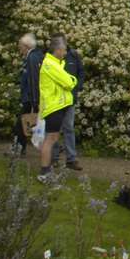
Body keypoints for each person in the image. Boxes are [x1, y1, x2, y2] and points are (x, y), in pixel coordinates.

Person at [36, 35, 77, 182]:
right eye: (64, 50)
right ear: (58, 50)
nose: (65, 53)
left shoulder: (56, 63)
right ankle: (44, 172)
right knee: (50, 139)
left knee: (53, 137)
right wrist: (72, 79)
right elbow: (69, 82)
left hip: (58, 106)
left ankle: (46, 170)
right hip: (53, 107)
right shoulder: (50, 64)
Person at [49, 40, 84, 171]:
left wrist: (77, 87)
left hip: (69, 100)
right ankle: (54, 158)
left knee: (68, 128)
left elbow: (81, 72)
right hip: (56, 101)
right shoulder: (52, 61)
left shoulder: (74, 56)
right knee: (55, 130)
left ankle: (71, 159)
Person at [13, 33, 44, 157]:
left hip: (30, 98)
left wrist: (34, 101)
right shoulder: (35, 55)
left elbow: (33, 79)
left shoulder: (32, 58)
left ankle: (19, 149)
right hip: (31, 97)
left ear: (25, 46)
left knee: (21, 124)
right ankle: (19, 148)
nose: (19, 49)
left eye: (20, 46)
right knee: (23, 124)